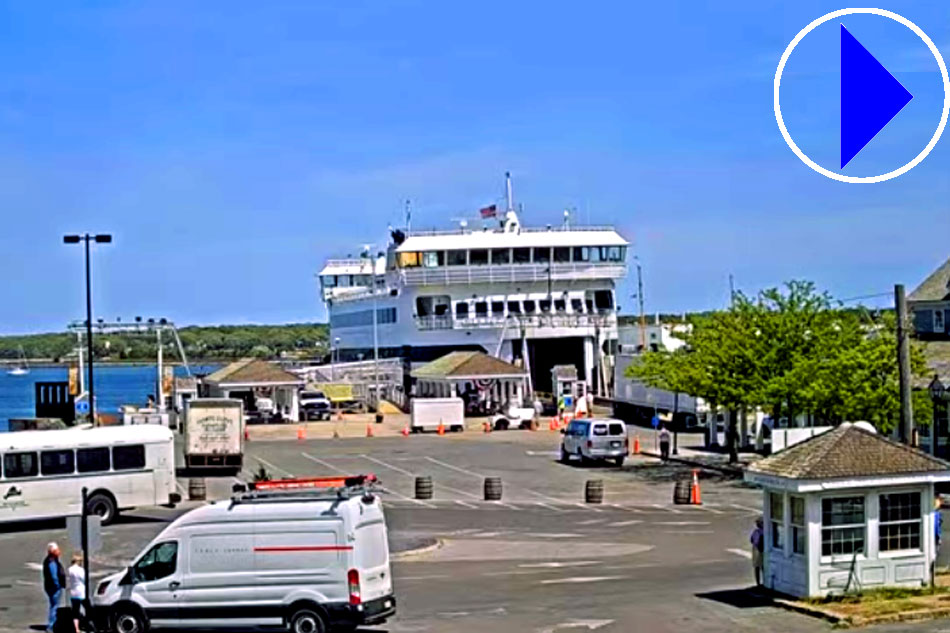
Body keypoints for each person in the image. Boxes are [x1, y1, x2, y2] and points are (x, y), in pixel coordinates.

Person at [42, 542, 65, 633]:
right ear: (52, 551)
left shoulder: (50, 560)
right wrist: (58, 585)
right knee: (54, 606)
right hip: (53, 587)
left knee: (53, 605)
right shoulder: (51, 561)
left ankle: (52, 625)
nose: (59, 551)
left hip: (49, 586)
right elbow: (54, 576)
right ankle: (51, 626)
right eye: (57, 550)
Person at [67, 553, 85, 633]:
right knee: (88, 609)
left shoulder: (69, 569)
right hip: (81, 592)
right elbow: (84, 579)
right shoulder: (81, 570)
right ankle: (89, 625)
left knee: (75, 612)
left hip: (73, 592)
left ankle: (76, 629)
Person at [750, 518, 764, 586]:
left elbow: (752, 540)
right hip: (759, 549)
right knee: (760, 567)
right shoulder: (759, 532)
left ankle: (758, 582)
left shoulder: (757, 532)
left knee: (757, 567)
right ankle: (761, 582)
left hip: (757, 549)